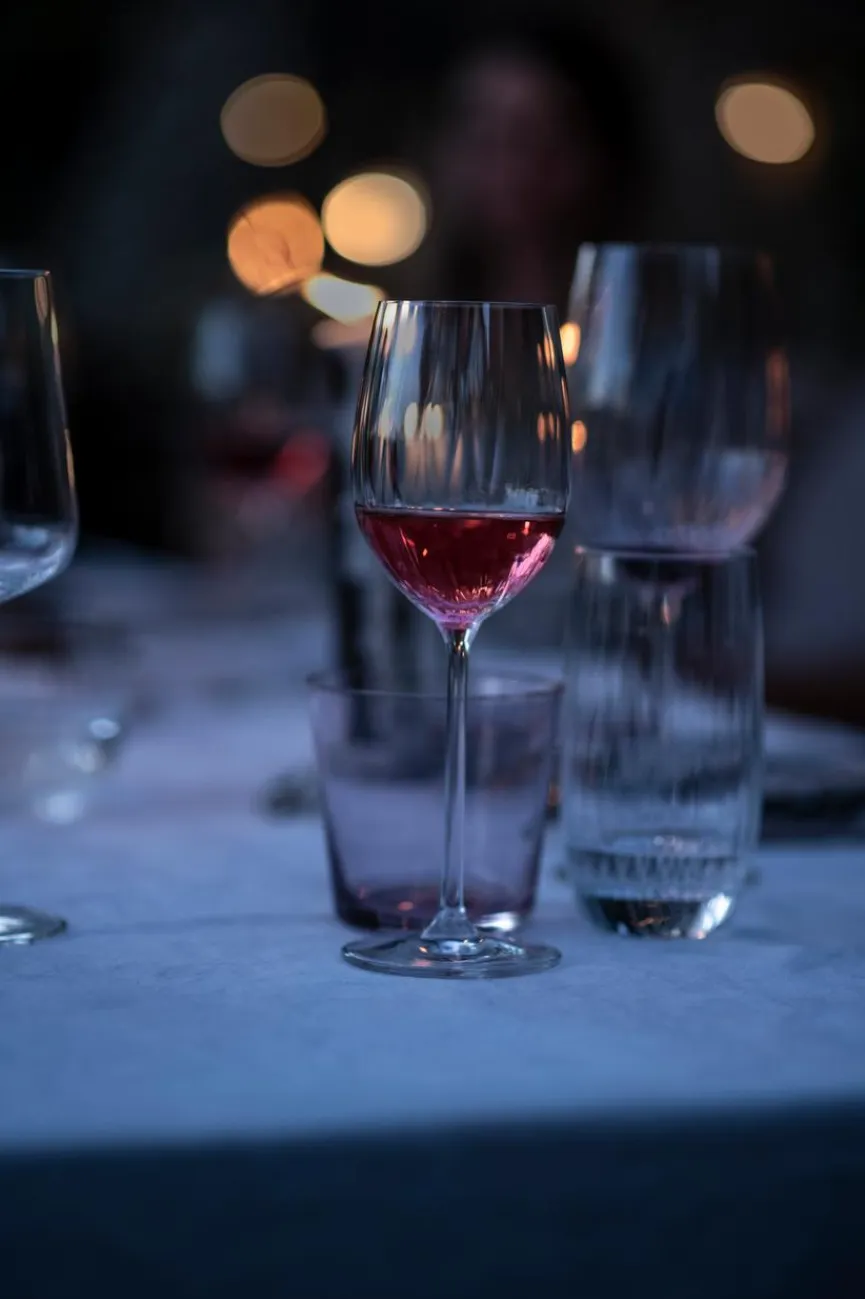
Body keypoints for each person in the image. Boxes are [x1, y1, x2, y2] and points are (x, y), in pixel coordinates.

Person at [421, 21, 645, 314]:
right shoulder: (414, 320)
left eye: (538, 133)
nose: (506, 162)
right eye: (482, 132)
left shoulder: (642, 317)